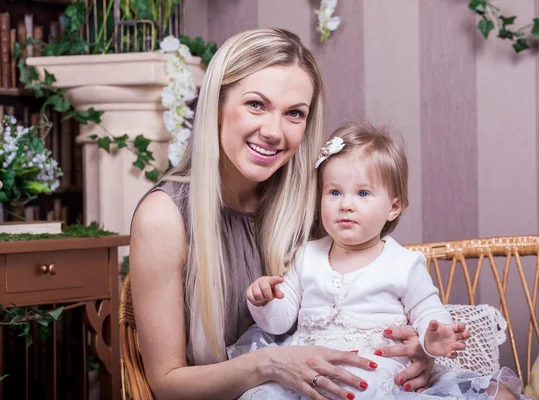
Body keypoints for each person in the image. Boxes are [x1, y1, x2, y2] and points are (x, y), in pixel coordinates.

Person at [130, 28, 436, 400]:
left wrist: (417, 355)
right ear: (217, 106)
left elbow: (373, 299)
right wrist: (270, 364)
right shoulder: (164, 217)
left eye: (294, 113)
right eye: (256, 104)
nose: (274, 132)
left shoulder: (314, 205)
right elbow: (165, 384)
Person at [232, 122, 529, 400]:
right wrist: (265, 302)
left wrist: (433, 337)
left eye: (363, 193)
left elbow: (428, 311)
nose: (345, 204)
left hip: (376, 372)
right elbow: (280, 321)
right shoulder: (306, 255)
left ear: (394, 206)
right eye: (334, 192)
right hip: (313, 370)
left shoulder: (403, 263)